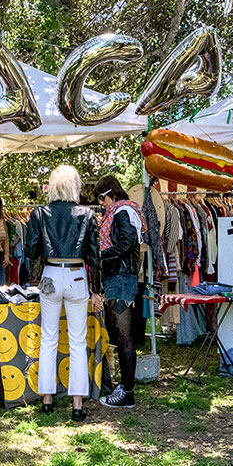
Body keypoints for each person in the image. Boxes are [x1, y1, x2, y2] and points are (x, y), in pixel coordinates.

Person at [24, 165, 102, 422]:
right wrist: (97, 290)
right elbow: (95, 255)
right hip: (78, 275)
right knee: (78, 341)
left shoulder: (40, 213)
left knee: (49, 337)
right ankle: (77, 403)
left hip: (51, 274)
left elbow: (32, 250)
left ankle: (47, 398)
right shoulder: (87, 214)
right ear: (75, 186)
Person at [93, 175, 143, 409]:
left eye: (102, 198)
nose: (101, 203)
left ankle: (128, 392)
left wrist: (102, 256)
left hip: (122, 278)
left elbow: (129, 242)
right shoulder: (120, 211)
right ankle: (125, 388)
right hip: (119, 277)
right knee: (121, 335)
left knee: (123, 337)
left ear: (112, 193)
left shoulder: (122, 212)